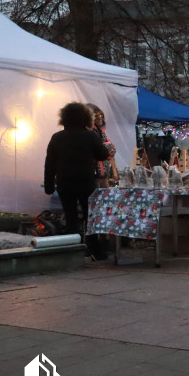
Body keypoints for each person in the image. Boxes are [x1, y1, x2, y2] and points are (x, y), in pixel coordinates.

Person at [44, 102, 110, 260]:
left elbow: (49, 163)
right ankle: (95, 250)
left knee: (71, 217)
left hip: (64, 183)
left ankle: (71, 251)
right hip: (85, 182)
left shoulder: (57, 137)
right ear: (86, 118)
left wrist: (48, 185)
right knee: (90, 217)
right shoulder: (90, 136)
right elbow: (103, 154)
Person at [86, 104, 117, 188]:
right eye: (97, 116)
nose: (100, 118)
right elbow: (102, 150)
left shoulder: (100, 131)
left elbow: (111, 150)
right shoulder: (90, 132)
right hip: (93, 171)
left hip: (102, 170)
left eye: (101, 115)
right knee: (95, 194)